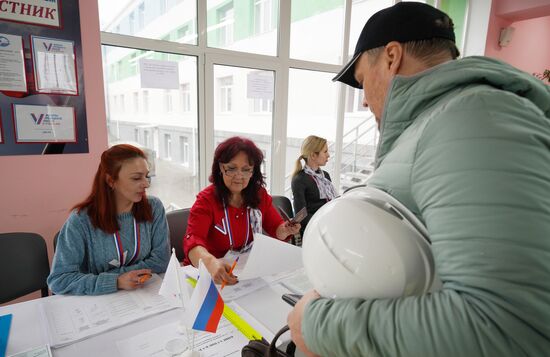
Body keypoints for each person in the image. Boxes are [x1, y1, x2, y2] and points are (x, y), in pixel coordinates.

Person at [288, 2, 550, 357]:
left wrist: (318, 325)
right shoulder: (436, 124)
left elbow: (509, 326)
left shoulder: (471, 120)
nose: (364, 101)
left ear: (392, 57)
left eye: (363, 81)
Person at [48, 144, 170, 295]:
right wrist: (117, 281)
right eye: (136, 178)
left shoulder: (154, 207)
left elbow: (161, 261)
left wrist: (124, 277)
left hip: (144, 294)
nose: (146, 184)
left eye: (147, 176)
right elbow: (59, 280)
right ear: (111, 181)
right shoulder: (80, 220)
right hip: (100, 302)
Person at [183, 136, 300, 285]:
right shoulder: (206, 200)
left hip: (245, 272)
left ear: (253, 172)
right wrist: (210, 263)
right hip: (209, 274)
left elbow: (275, 228)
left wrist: (285, 230)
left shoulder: (259, 195)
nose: (239, 176)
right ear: (220, 167)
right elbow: (193, 240)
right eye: (231, 169)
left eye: (246, 170)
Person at [291, 135, 336, 239]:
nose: (328, 155)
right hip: (313, 230)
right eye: (325, 152)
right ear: (313, 155)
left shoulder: (325, 176)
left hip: (327, 225)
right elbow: (300, 216)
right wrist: (325, 222)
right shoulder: (299, 179)